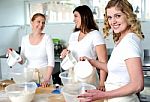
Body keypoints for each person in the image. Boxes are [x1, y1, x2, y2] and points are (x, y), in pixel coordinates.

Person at [78, 0, 144, 102]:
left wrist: (103, 95)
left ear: (128, 16)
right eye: (110, 17)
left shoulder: (129, 43)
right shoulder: (124, 39)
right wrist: (91, 61)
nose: (113, 22)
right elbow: (116, 69)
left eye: (117, 16)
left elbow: (138, 85)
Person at [60, 5, 107, 90]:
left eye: (76, 16)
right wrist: (66, 53)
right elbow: (71, 55)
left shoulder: (95, 35)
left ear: (84, 16)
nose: (73, 20)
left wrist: (102, 83)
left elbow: (103, 62)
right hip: (72, 78)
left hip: (89, 78)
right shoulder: (73, 35)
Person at [7, 13, 55, 87]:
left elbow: (51, 62)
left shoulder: (47, 38)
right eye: (38, 22)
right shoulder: (24, 39)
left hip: (45, 76)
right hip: (29, 75)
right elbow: (22, 61)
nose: (41, 25)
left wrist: (46, 80)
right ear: (32, 22)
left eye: (43, 23)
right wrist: (13, 54)